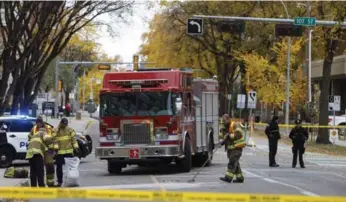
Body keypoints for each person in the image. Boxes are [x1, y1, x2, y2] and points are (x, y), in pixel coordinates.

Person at [29, 116, 58, 187]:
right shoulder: (34, 128)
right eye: (37, 123)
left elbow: (54, 138)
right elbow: (30, 137)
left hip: (48, 150)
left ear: (42, 122)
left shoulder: (48, 128)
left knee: (50, 166)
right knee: (38, 169)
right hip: (39, 150)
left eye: (40, 122)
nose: (38, 124)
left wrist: (55, 149)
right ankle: (38, 185)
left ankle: (50, 183)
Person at [219, 114, 246, 183]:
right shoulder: (225, 127)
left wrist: (229, 136)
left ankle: (228, 178)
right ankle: (240, 178)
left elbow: (239, 135)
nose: (223, 122)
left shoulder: (234, 125)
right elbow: (224, 137)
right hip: (230, 149)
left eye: (224, 120)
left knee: (232, 162)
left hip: (237, 148)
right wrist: (222, 141)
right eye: (223, 121)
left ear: (229, 119)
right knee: (235, 164)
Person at [54, 118, 80, 187]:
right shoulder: (56, 130)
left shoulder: (70, 130)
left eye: (66, 124)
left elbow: (73, 140)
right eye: (63, 124)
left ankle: (71, 181)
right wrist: (56, 149)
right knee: (59, 167)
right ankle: (59, 182)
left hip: (68, 151)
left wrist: (76, 148)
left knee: (71, 168)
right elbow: (54, 140)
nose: (65, 125)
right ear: (61, 123)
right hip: (60, 152)